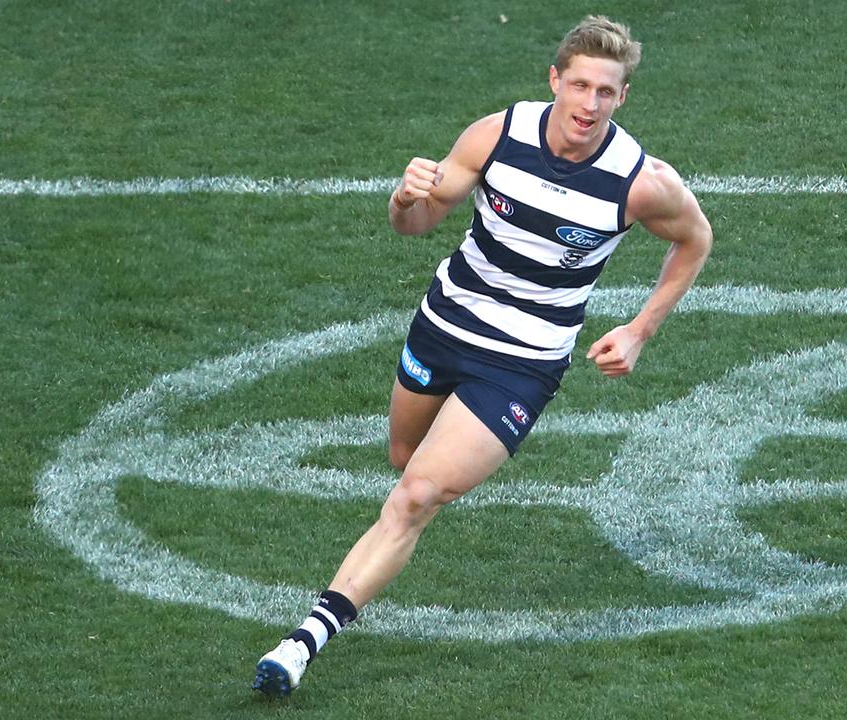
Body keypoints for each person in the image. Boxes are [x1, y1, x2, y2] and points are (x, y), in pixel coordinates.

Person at [253, 15, 713, 697]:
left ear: (623, 99)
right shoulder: (495, 135)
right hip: (444, 325)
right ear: (554, 80)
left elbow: (695, 239)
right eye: (579, 85)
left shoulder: (639, 181)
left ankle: (303, 641)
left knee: (415, 496)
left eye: (606, 92)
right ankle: (426, 498)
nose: (589, 104)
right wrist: (403, 197)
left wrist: (641, 329)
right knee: (405, 461)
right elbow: (417, 222)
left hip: (521, 361)